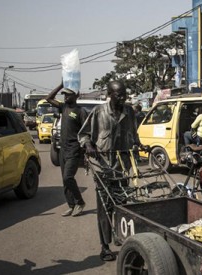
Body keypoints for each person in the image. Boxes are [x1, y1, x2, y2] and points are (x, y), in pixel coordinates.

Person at [78, 80, 144, 262]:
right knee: (104, 206)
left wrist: (139, 144)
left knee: (122, 203)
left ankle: (119, 235)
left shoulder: (129, 112)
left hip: (123, 167)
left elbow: (133, 134)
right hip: (103, 167)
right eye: (119, 94)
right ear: (110, 94)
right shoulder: (99, 112)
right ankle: (105, 246)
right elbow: (83, 135)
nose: (123, 97)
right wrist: (89, 145)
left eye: (124, 94)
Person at [46, 83, 87, 217]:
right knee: (65, 180)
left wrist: (84, 150)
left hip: (74, 149)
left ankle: (80, 202)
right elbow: (49, 98)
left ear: (76, 95)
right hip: (63, 149)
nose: (65, 97)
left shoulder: (81, 111)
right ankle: (71, 205)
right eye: (64, 94)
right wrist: (61, 85)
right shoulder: (63, 108)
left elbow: (86, 132)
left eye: (68, 94)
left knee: (68, 177)